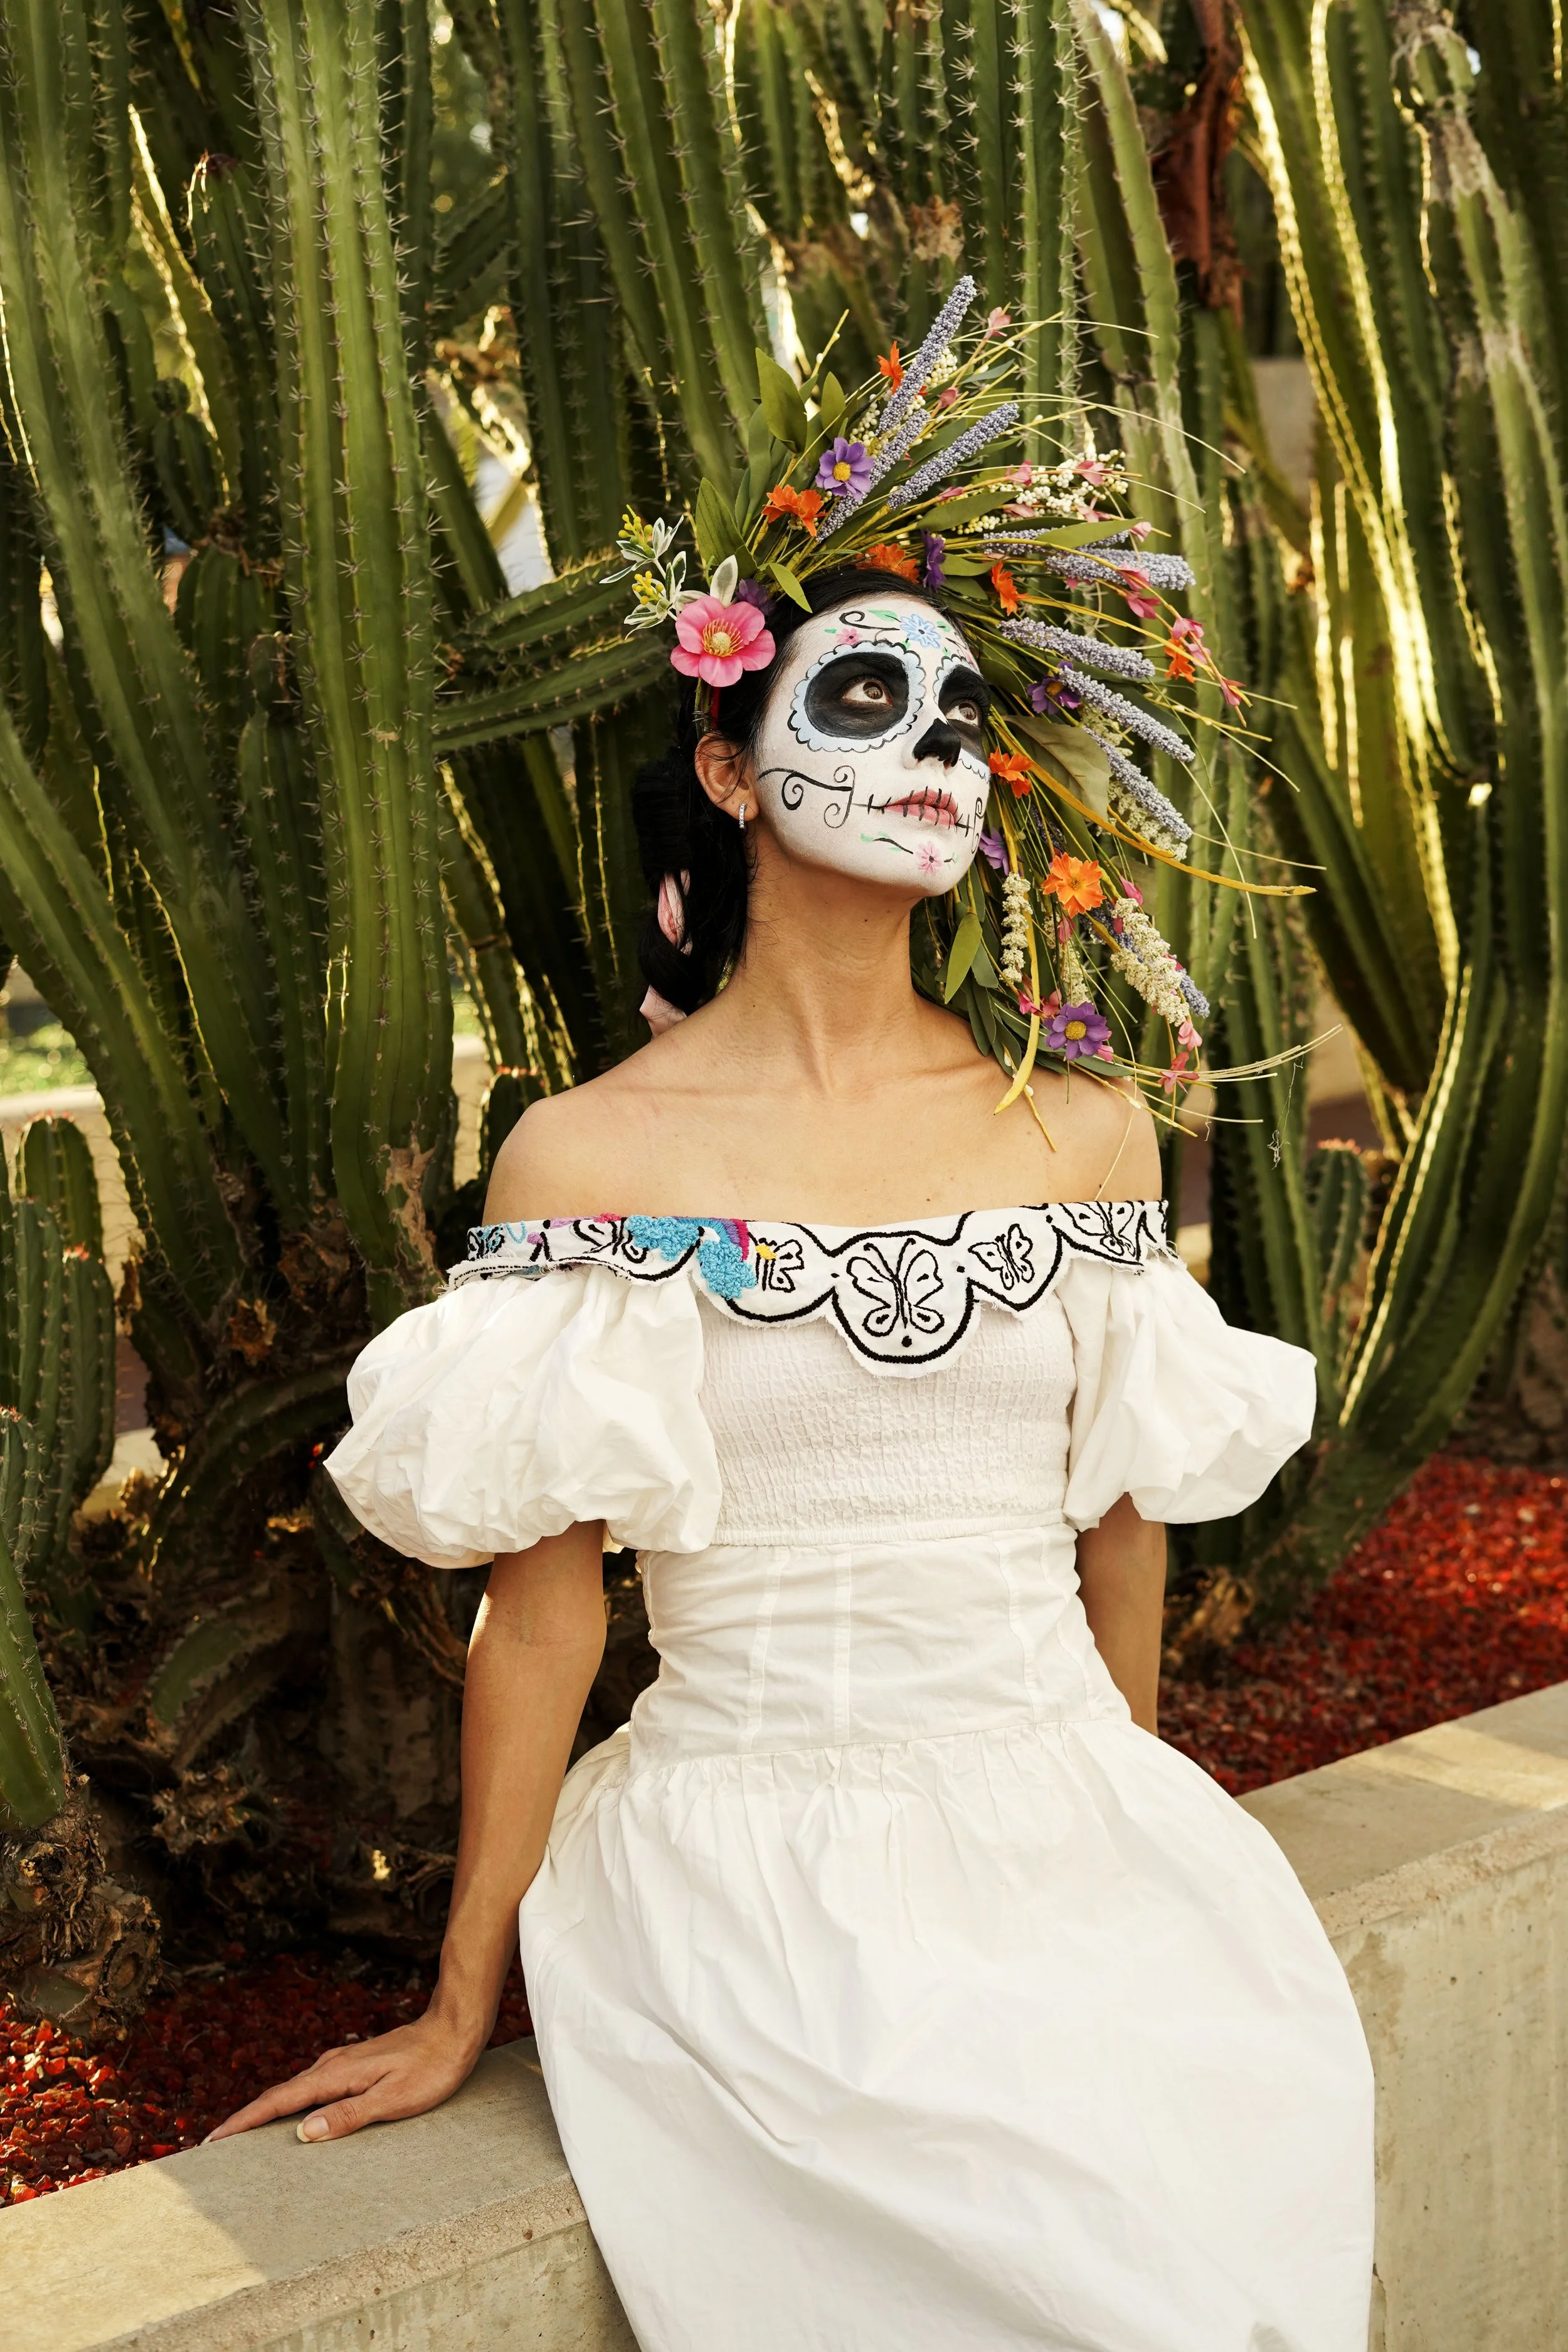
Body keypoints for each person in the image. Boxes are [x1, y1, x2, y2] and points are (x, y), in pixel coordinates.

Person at [213, 569, 1375, 2352]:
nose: (931, 752)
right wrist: (463, 1998)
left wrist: (1135, 1851)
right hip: (738, 1871)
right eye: (858, 703)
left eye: (964, 722)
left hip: (1063, 1818)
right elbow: (543, 1623)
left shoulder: (1074, 1128)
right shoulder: (585, 1155)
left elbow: (1120, 1532)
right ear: (732, 770)